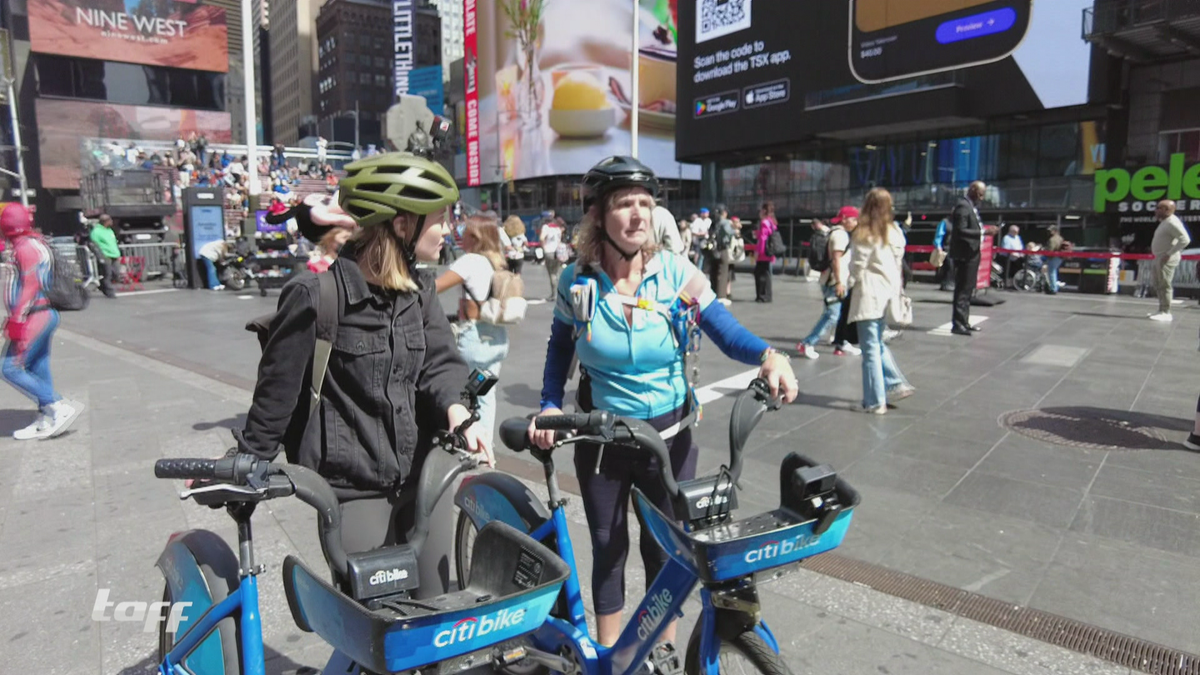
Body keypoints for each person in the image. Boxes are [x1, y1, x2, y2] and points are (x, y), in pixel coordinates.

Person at [529, 156, 798, 650]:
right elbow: (561, 348)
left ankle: (665, 654)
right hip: (603, 437)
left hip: (669, 440)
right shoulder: (577, 280)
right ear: (598, 215)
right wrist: (549, 402)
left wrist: (770, 356)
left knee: (666, 553)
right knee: (609, 549)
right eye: (623, 204)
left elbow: (725, 331)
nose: (637, 215)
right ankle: (610, 655)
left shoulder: (677, 273)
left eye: (645, 204)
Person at [235, 153, 488, 595]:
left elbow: (441, 363)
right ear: (403, 224)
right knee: (378, 629)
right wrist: (244, 464)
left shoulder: (421, 290)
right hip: (354, 492)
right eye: (440, 218)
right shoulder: (317, 295)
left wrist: (456, 411)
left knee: (439, 617)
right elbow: (277, 394)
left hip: (426, 479)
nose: (447, 229)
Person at [0, 203, 84, 440]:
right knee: (38, 365)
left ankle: (57, 406)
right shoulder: (35, 243)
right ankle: (46, 416)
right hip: (43, 313)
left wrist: (17, 318)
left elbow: (30, 284)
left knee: (9, 367)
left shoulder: (25, 247)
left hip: (34, 315)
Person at [436, 216, 512, 445]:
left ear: (474, 237)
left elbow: (434, 288)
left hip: (474, 337)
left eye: (464, 231)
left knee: (464, 394)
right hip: (496, 337)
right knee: (485, 395)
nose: (459, 235)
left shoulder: (469, 261)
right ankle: (484, 446)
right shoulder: (496, 261)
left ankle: (468, 443)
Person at [847, 189, 914, 414]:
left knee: (870, 350)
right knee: (876, 342)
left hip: (869, 294)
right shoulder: (895, 232)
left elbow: (857, 264)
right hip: (888, 294)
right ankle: (895, 383)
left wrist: (847, 282)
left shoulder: (865, 232)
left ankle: (875, 401)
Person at [796, 207, 856, 360]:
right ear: (844, 219)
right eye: (853, 219)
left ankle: (841, 342)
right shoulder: (840, 235)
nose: (855, 222)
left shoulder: (834, 232)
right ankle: (808, 342)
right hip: (834, 281)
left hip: (833, 280)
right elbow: (836, 260)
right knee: (832, 315)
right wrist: (839, 282)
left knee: (839, 314)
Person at [949, 181, 988, 336]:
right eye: (980, 194)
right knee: (963, 289)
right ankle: (958, 323)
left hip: (972, 253)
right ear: (972, 190)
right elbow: (960, 230)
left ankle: (964, 321)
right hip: (965, 255)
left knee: (968, 288)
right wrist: (983, 233)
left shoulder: (970, 206)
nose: (982, 198)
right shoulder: (963, 206)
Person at [1149, 200, 1191, 321]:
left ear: (1167, 210)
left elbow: (1185, 239)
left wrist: (1169, 253)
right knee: (1158, 284)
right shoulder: (1165, 222)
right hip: (1160, 256)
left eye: (1159, 208)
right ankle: (1161, 309)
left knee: (1165, 284)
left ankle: (1166, 312)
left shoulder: (1172, 222)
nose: (1156, 210)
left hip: (1166, 257)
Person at [709, 204, 736, 304]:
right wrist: (735, 229)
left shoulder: (714, 222)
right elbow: (730, 232)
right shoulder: (725, 222)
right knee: (723, 272)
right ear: (724, 213)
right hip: (723, 248)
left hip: (714, 248)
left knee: (714, 271)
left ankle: (713, 292)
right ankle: (721, 295)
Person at [90, 214, 121, 298]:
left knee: (116, 273)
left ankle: (103, 285)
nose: (111, 222)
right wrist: (100, 256)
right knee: (108, 274)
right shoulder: (96, 231)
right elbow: (94, 245)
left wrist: (118, 254)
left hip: (114, 254)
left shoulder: (110, 230)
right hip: (105, 255)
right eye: (110, 220)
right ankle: (110, 292)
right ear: (105, 221)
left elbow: (113, 243)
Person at [754, 202, 778, 302]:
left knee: (760, 273)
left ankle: (762, 295)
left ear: (764, 211)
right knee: (767, 274)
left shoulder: (764, 223)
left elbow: (763, 239)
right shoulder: (772, 222)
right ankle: (767, 295)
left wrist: (758, 252)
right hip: (769, 252)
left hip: (763, 253)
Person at [539, 215, 566, 298]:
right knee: (556, 272)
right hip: (557, 252)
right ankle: (560, 291)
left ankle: (554, 294)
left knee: (551, 274)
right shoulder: (558, 229)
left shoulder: (545, 227)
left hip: (549, 251)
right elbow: (559, 240)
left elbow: (541, 238)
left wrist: (543, 247)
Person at [1044, 225, 1068, 294]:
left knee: (1051, 272)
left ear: (1054, 231)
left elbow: (1050, 249)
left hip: (1053, 257)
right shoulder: (1060, 238)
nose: (1049, 232)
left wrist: (1045, 251)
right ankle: (1054, 287)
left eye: (1050, 231)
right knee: (1054, 272)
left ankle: (1053, 288)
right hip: (1060, 257)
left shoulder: (1052, 239)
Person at [933, 217, 954, 291]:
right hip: (946, 248)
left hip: (954, 248)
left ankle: (950, 283)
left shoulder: (959, 222)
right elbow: (939, 234)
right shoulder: (945, 222)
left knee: (952, 267)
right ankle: (946, 283)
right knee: (948, 266)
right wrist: (938, 246)